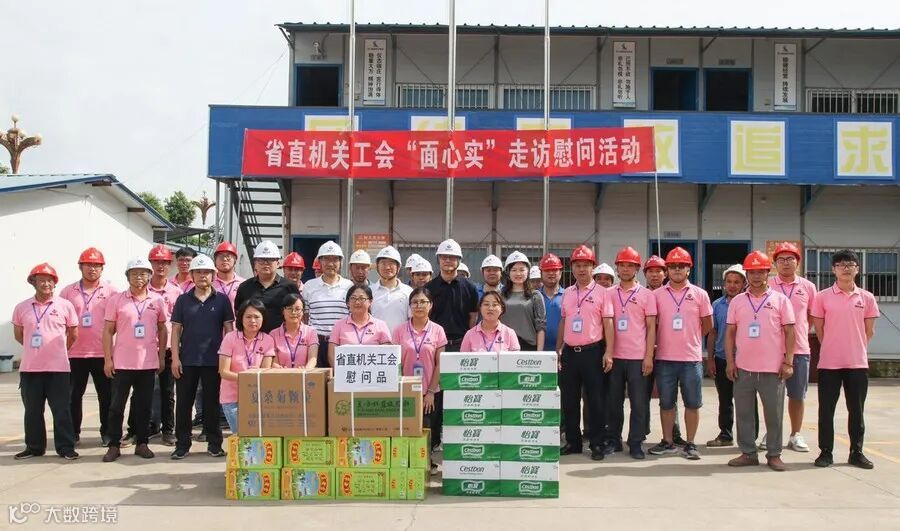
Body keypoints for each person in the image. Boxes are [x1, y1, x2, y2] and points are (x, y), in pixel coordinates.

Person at [725, 251, 795, 471]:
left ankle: (774, 454)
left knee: (773, 414)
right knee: (744, 413)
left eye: (760, 272)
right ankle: (748, 453)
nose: (756, 276)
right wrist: (730, 362)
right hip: (744, 368)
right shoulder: (738, 301)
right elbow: (730, 333)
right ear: (747, 274)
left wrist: (788, 362)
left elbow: (790, 332)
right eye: (752, 272)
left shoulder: (780, 300)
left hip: (773, 369)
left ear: (767, 273)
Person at [810, 249, 880, 470]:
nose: (846, 268)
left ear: (857, 269)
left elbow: (869, 331)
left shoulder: (867, 298)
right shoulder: (822, 297)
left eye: (850, 264)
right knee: (826, 410)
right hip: (829, 363)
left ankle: (856, 453)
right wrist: (833, 347)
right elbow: (819, 330)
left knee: (856, 411)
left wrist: (855, 348)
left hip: (857, 363)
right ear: (833, 269)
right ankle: (825, 452)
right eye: (841, 264)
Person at [648, 247, 713, 460]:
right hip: (664, 358)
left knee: (692, 403)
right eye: (673, 266)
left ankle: (691, 443)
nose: (677, 269)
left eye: (681, 266)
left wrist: (691, 338)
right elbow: (651, 324)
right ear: (667, 270)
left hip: (690, 359)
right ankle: (668, 441)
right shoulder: (656, 295)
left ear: (689, 269)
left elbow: (707, 324)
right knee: (666, 403)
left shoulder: (700, 294)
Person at [102, 258, 168, 462]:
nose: (139, 277)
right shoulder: (116, 300)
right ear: (127, 276)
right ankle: (114, 445)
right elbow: (108, 331)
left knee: (144, 406)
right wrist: (107, 359)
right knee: (116, 407)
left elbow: (163, 329)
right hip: (122, 363)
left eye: (143, 273)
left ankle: (142, 443)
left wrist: (161, 357)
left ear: (149, 276)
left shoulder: (157, 300)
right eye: (134, 273)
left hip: (147, 363)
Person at [169, 254, 234, 460]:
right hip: (187, 361)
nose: (202, 275)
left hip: (214, 361)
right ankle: (182, 444)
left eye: (206, 272)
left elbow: (229, 332)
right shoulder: (182, 300)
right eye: (198, 272)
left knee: (212, 404)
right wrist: (175, 358)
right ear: (192, 275)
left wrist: (228, 360)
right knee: (184, 404)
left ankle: (214, 444)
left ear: (213, 275)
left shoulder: (222, 300)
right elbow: (175, 331)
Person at [12, 263, 79, 460]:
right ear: (33, 282)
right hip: (30, 369)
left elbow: (73, 334)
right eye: (41, 280)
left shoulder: (65, 306)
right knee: (32, 411)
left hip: (58, 368)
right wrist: (36, 350)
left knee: (61, 410)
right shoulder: (22, 307)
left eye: (50, 280)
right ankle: (34, 447)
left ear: (55, 283)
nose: (46, 284)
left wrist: (58, 350)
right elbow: (19, 335)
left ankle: (66, 448)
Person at [557, 245, 614, 461]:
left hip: (593, 352)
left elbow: (608, 324)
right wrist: (559, 349)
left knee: (596, 400)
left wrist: (609, 352)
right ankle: (573, 442)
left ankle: (597, 443)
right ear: (572, 268)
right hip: (570, 353)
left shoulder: (602, 293)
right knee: (569, 400)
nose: (581, 269)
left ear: (592, 267)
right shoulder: (568, 293)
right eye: (577, 265)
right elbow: (564, 321)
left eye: (585, 265)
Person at [60, 247, 116, 447]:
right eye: (88, 265)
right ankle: (73, 433)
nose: (92, 269)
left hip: (103, 354)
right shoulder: (68, 292)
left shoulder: (111, 291)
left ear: (102, 268)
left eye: (96, 265)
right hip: (74, 354)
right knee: (73, 397)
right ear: (80, 267)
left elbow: (118, 321)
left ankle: (107, 433)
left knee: (107, 397)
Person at [426, 239, 479, 451]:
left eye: (452, 257)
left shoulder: (469, 287)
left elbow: (472, 317)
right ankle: (434, 439)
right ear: (438, 259)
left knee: (458, 392)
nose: (448, 261)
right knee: (435, 392)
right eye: (444, 257)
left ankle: (457, 437)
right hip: (434, 347)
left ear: (459, 260)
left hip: (459, 345)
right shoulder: (429, 288)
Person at [605, 247, 656, 460]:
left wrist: (648, 357)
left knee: (639, 403)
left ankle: (635, 442)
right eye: (622, 265)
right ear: (617, 268)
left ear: (637, 269)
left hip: (637, 358)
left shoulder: (647, 295)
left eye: (630, 265)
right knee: (613, 402)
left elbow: (651, 327)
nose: (625, 269)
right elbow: (605, 324)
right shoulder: (609, 293)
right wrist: (607, 353)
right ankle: (613, 440)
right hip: (615, 357)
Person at [767, 241, 817, 453]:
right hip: (770, 351)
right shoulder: (768, 284)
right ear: (775, 263)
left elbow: (811, 317)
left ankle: (795, 434)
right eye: (781, 259)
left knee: (797, 395)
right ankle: (772, 433)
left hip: (799, 350)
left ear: (798, 262)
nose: (786, 263)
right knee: (770, 396)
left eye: (790, 259)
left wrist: (797, 332)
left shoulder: (808, 287)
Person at [131, 244, 181, 447]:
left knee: (168, 392)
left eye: (165, 262)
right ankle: (136, 430)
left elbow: (180, 323)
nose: (161, 266)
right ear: (150, 264)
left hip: (168, 348)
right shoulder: (141, 290)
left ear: (170, 265)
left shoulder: (176, 292)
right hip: (143, 349)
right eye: (157, 262)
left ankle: (168, 430)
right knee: (140, 392)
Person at [394, 287, 447, 473]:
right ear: (410, 306)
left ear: (430, 305)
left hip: (429, 390)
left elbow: (440, 363)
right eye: (415, 302)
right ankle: (407, 462)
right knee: (406, 427)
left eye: (423, 302)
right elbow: (395, 363)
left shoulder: (438, 330)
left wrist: (431, 391)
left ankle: (427, 461)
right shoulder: (400, 331)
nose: (419, 305)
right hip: (406, 390)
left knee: (428, 428)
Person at [643, 253, 685, 445]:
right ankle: (641, 430)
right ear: (645, 274)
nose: (654, 275)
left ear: (665, 273)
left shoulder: (672, 295)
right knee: (641, 394)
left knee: (669, 396)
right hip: (643, 353)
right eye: (650, 271)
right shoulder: (640, 295)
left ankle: (673, 433)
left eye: (658, 271)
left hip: (667, 352)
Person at [706, 264, 748, 448]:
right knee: (725, 400)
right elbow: (713, 333)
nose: (732, 285)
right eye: (729, 282)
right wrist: (710, 358)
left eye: (736, 282)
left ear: (744, 284)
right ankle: (725, 435)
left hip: (745, 360)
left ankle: (749, 437)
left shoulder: (750, 304)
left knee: (747, 401)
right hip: (722, 358)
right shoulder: (717, 305)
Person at [218, 300, 275, 433]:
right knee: (242, 436)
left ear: (263, 319)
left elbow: (265, 371)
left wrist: (255, 374)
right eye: (248, 317)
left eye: (256, 317)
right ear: (241, 318)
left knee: (258, 437)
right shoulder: (230, 338)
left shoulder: (268, 340)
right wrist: (247, 377)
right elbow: (224, 371)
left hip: (257, 398)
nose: (252, 321)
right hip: (232, 398)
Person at [303, 240, 353, 367]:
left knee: (341, 377)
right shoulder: (309, 286)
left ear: (340, 262)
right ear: (320, 262)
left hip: (342, 342)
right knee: (317, 378)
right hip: (316, 344)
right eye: (326, 259)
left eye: (335, 259)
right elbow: (305, 317)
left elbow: (352, 315)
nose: (331, 263)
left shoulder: (349, 286)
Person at [234, 240, 301, 333]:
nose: (265, 263)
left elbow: (298, 313)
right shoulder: (244, 287)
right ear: (255, 264)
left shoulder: (290, 287)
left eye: (270, 259)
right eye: (261, 260)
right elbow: (239, 313)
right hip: (252, 339)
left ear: (278, 263)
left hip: (282, 338)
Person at [327, 284, 393, 367]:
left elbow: (388, 353)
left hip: (373, 372)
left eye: (362, 298)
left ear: (370, 301)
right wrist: (339, 371)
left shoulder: (381, 325)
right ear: (348, 303)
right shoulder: (339, 325)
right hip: (347, 373)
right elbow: (331, 355)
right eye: (353, 298)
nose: (357, 302)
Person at [500, 251, 546, 351]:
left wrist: (539, 353)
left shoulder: (535, 296)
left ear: (528, 271)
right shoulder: (500, 295)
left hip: (528, 346)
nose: (518, 273)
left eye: (522, 269)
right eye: (514, 270)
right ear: (508, 272)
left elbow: (541, 327)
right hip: (504, 346)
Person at [270, 293, 318, 369]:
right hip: (281, 374)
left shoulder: (311, 332)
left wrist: (305, 371)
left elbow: (313, 359)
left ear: (303, 311)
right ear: (283, 311)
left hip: (304, 374)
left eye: (297, 309)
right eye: (289, 308)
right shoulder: (273, 334)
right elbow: (273, 362)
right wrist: (282, 371)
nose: (293, 312)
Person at [371, 246, 413, 332]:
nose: (387, 267)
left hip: (401, 340)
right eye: (383, 263)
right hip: (375, 340)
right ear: (377, 266)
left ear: (398, 267)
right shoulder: (369, 291)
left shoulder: (408, 292)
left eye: (391, 263)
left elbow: (412, 320)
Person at [213, 241, 244, 311]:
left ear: (235, 260)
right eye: (221, 256)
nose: (224, 259)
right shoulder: (209, 283)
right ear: (215, 260)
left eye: (228, 256)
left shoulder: (243, 284)